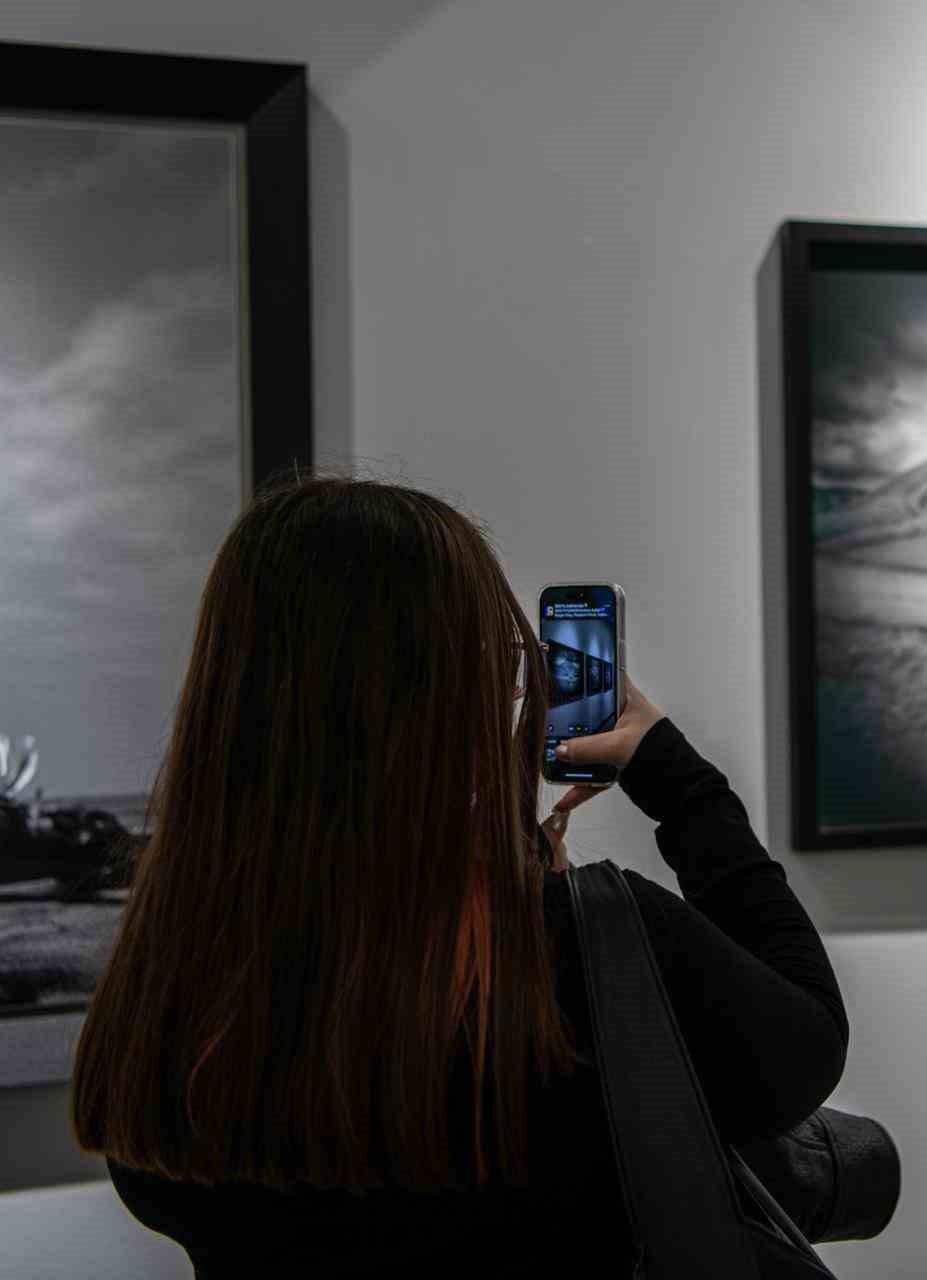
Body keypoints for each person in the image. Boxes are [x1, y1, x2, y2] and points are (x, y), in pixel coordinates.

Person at [69, 469, 848, 1277]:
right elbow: (808, 1047)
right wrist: (682, 786)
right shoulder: (580, 950)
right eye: (499, 660)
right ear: (443, 693)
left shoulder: (173, 982)